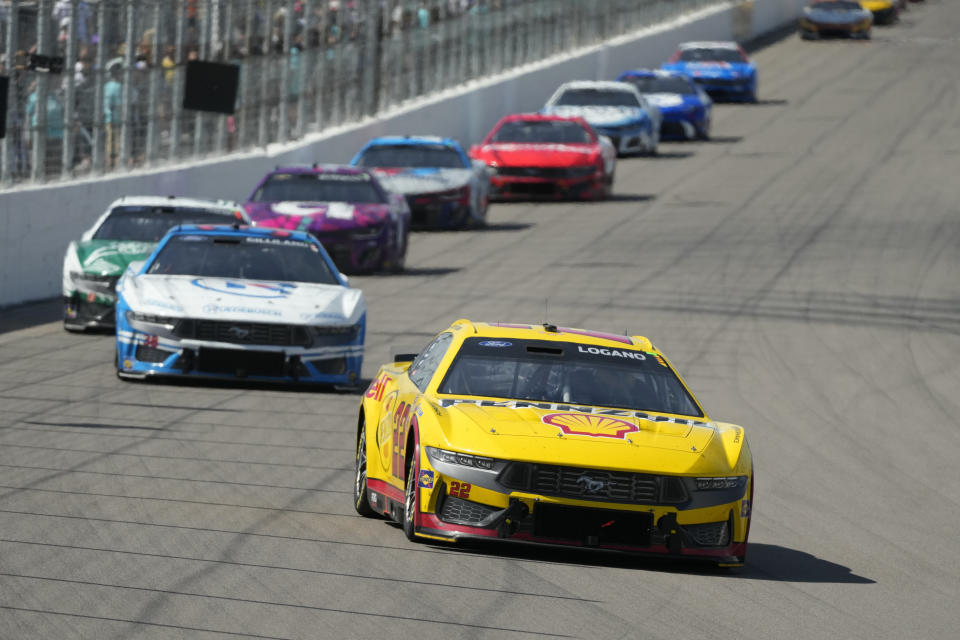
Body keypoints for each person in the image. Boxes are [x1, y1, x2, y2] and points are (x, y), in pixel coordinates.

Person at [103, 60, 123, 169]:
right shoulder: (118, 86)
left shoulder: (106, 86)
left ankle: (109, 165)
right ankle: (114, 165)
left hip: (108, 119)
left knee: (109, 144)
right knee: (116, 144)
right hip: (116, 119)